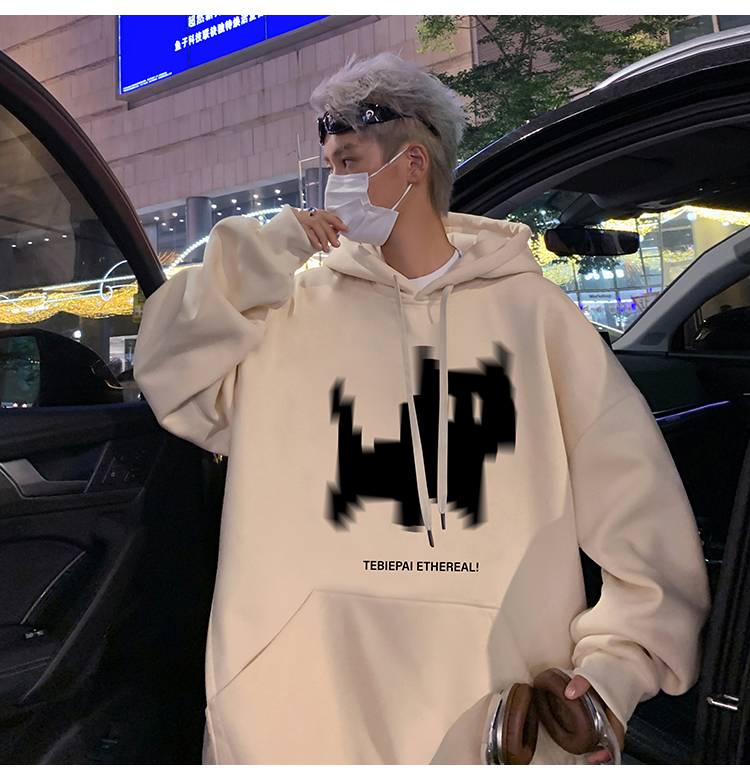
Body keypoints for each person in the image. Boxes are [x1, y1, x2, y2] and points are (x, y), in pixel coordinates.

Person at [133, 53, 710, 765]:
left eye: (348, 161)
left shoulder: (535, 318)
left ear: (412, 163)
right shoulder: (284, 314)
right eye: (329, 165)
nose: (334, 183)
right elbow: (166, 368)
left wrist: (613, 675)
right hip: (294, 719)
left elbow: (640, 511)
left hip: (488, 720)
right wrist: (274, 246)